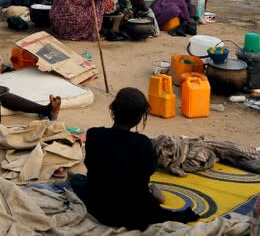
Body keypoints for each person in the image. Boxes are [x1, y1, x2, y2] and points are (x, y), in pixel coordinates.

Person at [71, 88, 200, 231]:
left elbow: (91, 165)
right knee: (140, 195)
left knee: (77, 180)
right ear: (139, 118)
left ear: (112, 109)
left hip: (99, 207)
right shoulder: (143, 143)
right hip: (133, 213)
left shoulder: (94, 135)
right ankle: (152, 194)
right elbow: (146, 173)